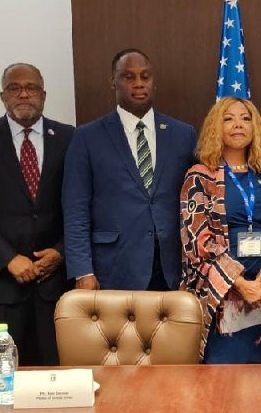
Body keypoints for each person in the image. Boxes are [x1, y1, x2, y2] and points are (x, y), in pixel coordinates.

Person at [0, 63, 75, 366]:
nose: (23, 94)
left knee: (56, 375)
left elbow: (80, 206)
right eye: (14, 88)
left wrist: (60, 252)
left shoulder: (69, 138)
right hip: (1, 287)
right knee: (5, 377)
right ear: (2, 96)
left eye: (31, 87)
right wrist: (8, 259)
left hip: (55, 286)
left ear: (44, 94)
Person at [63, 49, 197, 291]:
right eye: (128, 77)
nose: (138, 84)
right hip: (114, 267)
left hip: (172, 268)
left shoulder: (182, 134)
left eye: (145, 77)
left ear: (153, 82)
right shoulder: (87, 137)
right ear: (113, 81)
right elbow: (76, 208)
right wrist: (82, 269)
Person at [180, 98, 261, 362]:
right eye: (228, 118)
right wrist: (241, 284)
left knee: (259, 383)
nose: (238, 125)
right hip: (220, 300)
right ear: (215, 127)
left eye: (246, 119)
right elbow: (197, 241)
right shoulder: (200, 177)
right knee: (222, 383)